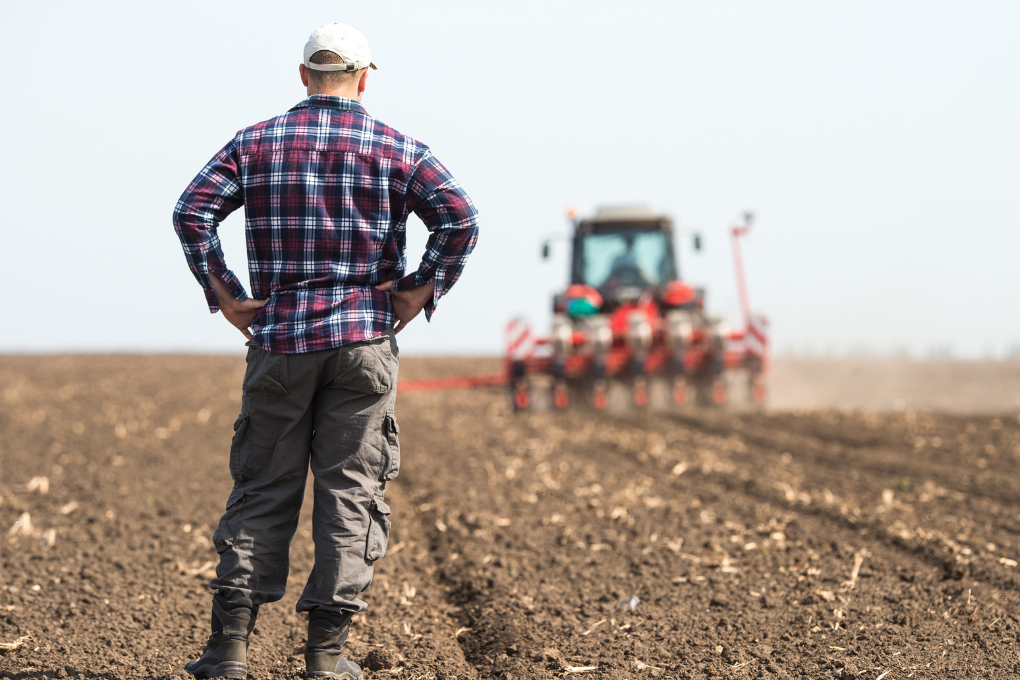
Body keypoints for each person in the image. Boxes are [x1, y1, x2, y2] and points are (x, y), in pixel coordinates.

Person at [171, 23, 478, 680]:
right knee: (351, 492)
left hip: (280, 340)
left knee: (262, 489)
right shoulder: (400, 149)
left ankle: (228, 653)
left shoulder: (254, 144)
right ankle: (328, 657)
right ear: (366, 77)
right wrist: (420, 289)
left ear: (303, 75)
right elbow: (460, 219)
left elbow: (191, 211)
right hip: (364, 342)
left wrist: (225, 293)